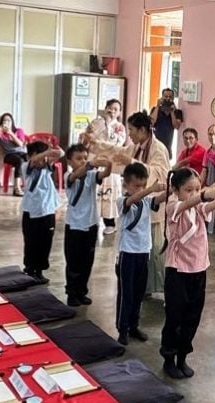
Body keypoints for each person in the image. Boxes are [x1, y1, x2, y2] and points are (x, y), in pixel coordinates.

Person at [160, 168, 215, 379]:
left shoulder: (198, 206)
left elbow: (206, 206)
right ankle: (169, 358)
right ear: (175, 190)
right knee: (174, 317)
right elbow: (189, 203)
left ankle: (182, 356)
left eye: (197, 189)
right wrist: (203, 194)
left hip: (199, 269)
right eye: (188, 189)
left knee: (192, 317)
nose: (193, 193)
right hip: (178, 270)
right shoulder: (173, 205)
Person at [95, 111, 171, 295]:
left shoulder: (158, 148)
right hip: (135, 206)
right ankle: (139, 288)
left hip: (151, 207)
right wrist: (95, 145)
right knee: (135, 249)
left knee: (152, 253)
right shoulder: (136, 146)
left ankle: (147, 288)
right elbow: (119, 153)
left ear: (142, 130)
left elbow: (161, 174)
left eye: (132, 130)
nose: (129, 134)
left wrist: (132, 161)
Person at [114, 163, 164, 345]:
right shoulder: (122, 201)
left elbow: (158, 199)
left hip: (143, 252)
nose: (141, 190)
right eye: (137, 186)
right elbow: (131, 201)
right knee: (126, 294)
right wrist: (150, 189)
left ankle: (133, 326)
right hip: (127, 253)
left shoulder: (146, 201)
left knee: (138, 293)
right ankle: (122, 329)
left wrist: (171, 189)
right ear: (126, 184)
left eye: (143, 186)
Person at [62, 143, 111, 306]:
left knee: (87, 261)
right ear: (69, 161)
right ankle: (72, 293)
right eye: (78, 158)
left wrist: (109, 164)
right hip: (75, 226)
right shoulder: (68, 175)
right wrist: (90, 164)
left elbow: (104, 174)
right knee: (73, 262)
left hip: (91, 224)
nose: (83, 161)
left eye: (85, 158)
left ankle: (82, 291)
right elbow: (76, 176)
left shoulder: (91, 175)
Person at [20, 140, 64, 284]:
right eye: (38, 156)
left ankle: (39, 270)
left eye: (44, 157)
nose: (41, 160)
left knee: (45, 243)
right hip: (30, 212)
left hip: (47, 211)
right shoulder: (26, 167)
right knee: (31, 242)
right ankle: (29, 269)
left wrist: (52, 152)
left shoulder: (47, 168)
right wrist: (45, 153)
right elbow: (34, 160)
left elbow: (61, 153)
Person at [85, 99, 126, 234]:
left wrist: (108, 126)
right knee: (93, 191)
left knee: (110, 191)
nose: (112, 111)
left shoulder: (120, 127)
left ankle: (110, 223)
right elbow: (89, 139)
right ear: (105, 108)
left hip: (110, 162)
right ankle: (92, 220)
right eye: (110, 108)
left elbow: (117, 144)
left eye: (115, 109)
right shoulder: (96, 122)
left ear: (119, 112)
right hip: (95, 160)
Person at [0, 112, 30, 196]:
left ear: (12, 122)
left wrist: (11, 133)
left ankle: (31, 186)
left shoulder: (19, 131)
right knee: (19, 160)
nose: (7, 122)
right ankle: (17, 188)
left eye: (9, 120)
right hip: (9, 155)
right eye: (4, 120)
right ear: (1, 123)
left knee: (28, 159)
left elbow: (21, 144)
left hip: (22, 153)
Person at [149, 87, 183, 156]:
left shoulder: (177, 112)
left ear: (173, 98)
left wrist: (172, 112)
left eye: (170, 97)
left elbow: (176, 126)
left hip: (168, 147)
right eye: (166, 96)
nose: (168, 99)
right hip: (155, 144)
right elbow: (151, 123)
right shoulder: (155, 110)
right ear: (162, 97)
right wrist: (157, 106)